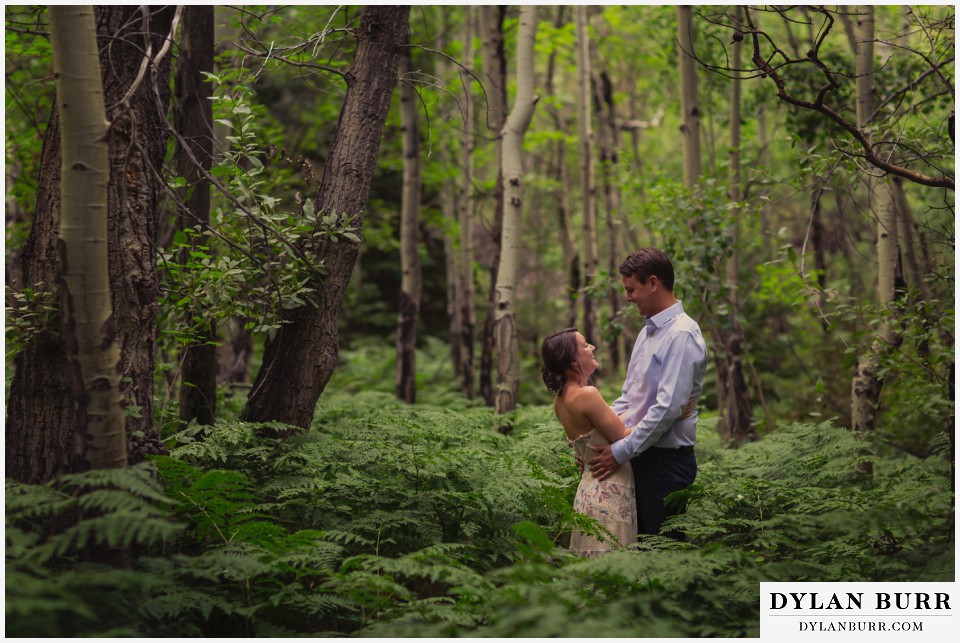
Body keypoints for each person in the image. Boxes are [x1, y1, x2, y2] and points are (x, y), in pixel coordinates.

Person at [587, 247, 707, 539]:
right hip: (639, 457)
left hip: (665, 464)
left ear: (653, 283)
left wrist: (619, 452)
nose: (627, 298)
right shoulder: (646, 333)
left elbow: (667, 408)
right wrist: (595, 438)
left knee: (664, 554)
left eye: (631, 289)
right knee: (637, 548)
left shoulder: (681, 334)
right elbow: (628, 397)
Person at [541, 328, 637, 556]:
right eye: (585, 345)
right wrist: (665, 416)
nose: (592, 347)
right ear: (573, 361)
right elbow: (621, 434)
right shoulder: (588, 395)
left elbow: (600, 431)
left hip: (587, 492)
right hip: (610, 490)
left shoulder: (560, 400)